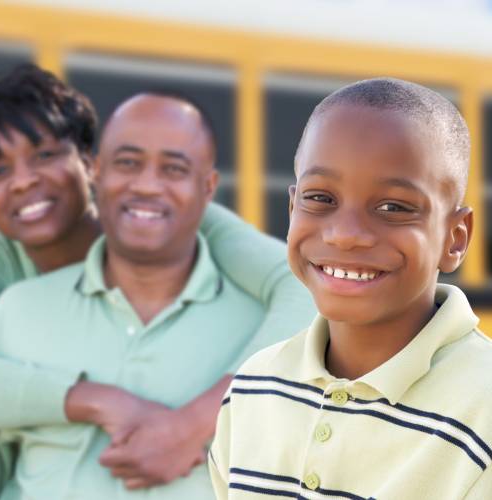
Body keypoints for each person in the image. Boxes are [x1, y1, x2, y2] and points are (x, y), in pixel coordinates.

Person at [0, 65, 315, 499]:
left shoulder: (189, 224)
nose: (24, 181)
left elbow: (304, 285)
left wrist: (196, 423)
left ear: (87, 164)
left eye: (45, 155)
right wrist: (98, 400)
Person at [209, 77, 492, 499]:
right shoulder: (255, 385)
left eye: (394, 207)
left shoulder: (482, 409)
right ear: (291, 209)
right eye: (320, 198)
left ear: (455, 237)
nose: (345, 235)